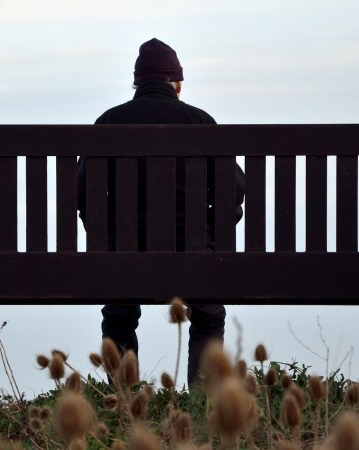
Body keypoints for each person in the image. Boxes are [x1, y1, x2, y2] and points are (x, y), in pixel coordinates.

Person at [77, 38, 245, 387]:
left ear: (137, 84)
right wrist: (211, 233)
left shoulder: (108, 122)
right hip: (196, 253)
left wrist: (108, 239)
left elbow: (82, 195)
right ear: (177, 85)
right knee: (209, 316)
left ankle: (124, 399)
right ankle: (204, 400)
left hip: (124, 257)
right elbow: (236, 191)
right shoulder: (201, 122)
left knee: (119, 315)